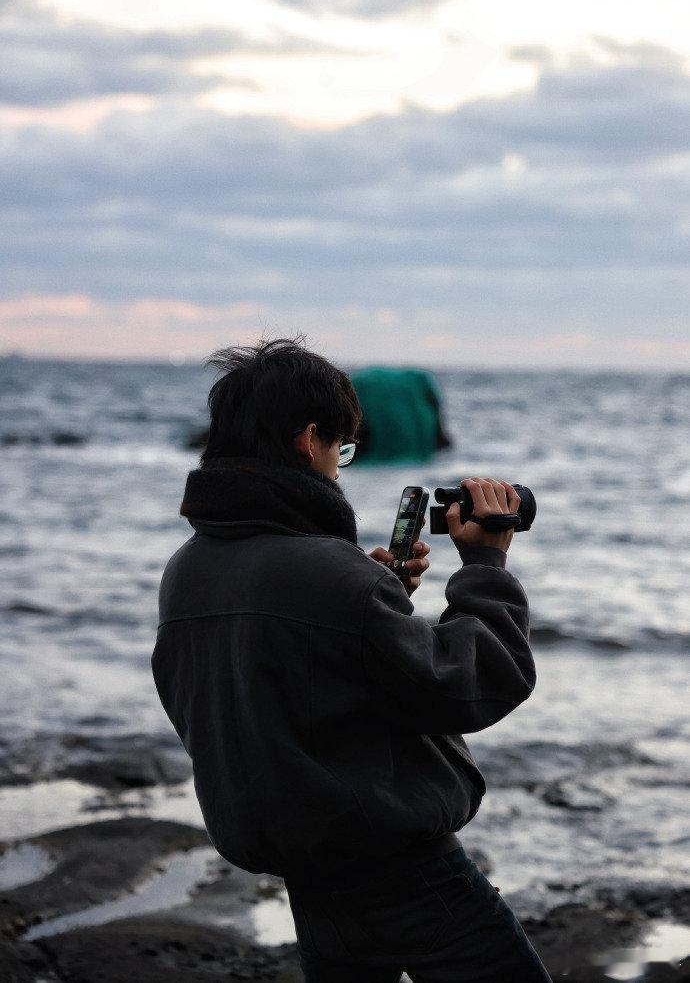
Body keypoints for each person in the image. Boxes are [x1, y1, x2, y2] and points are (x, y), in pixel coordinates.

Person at [151, 335, 553, 983]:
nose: (340, 465)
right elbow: (476, 683)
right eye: (342, 448)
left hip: (306, 863)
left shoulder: (188, 569)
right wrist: (486, 562)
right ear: (309, 440)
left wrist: (380, 600)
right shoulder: (329, 577)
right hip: (397, 866)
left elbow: (254, 690)